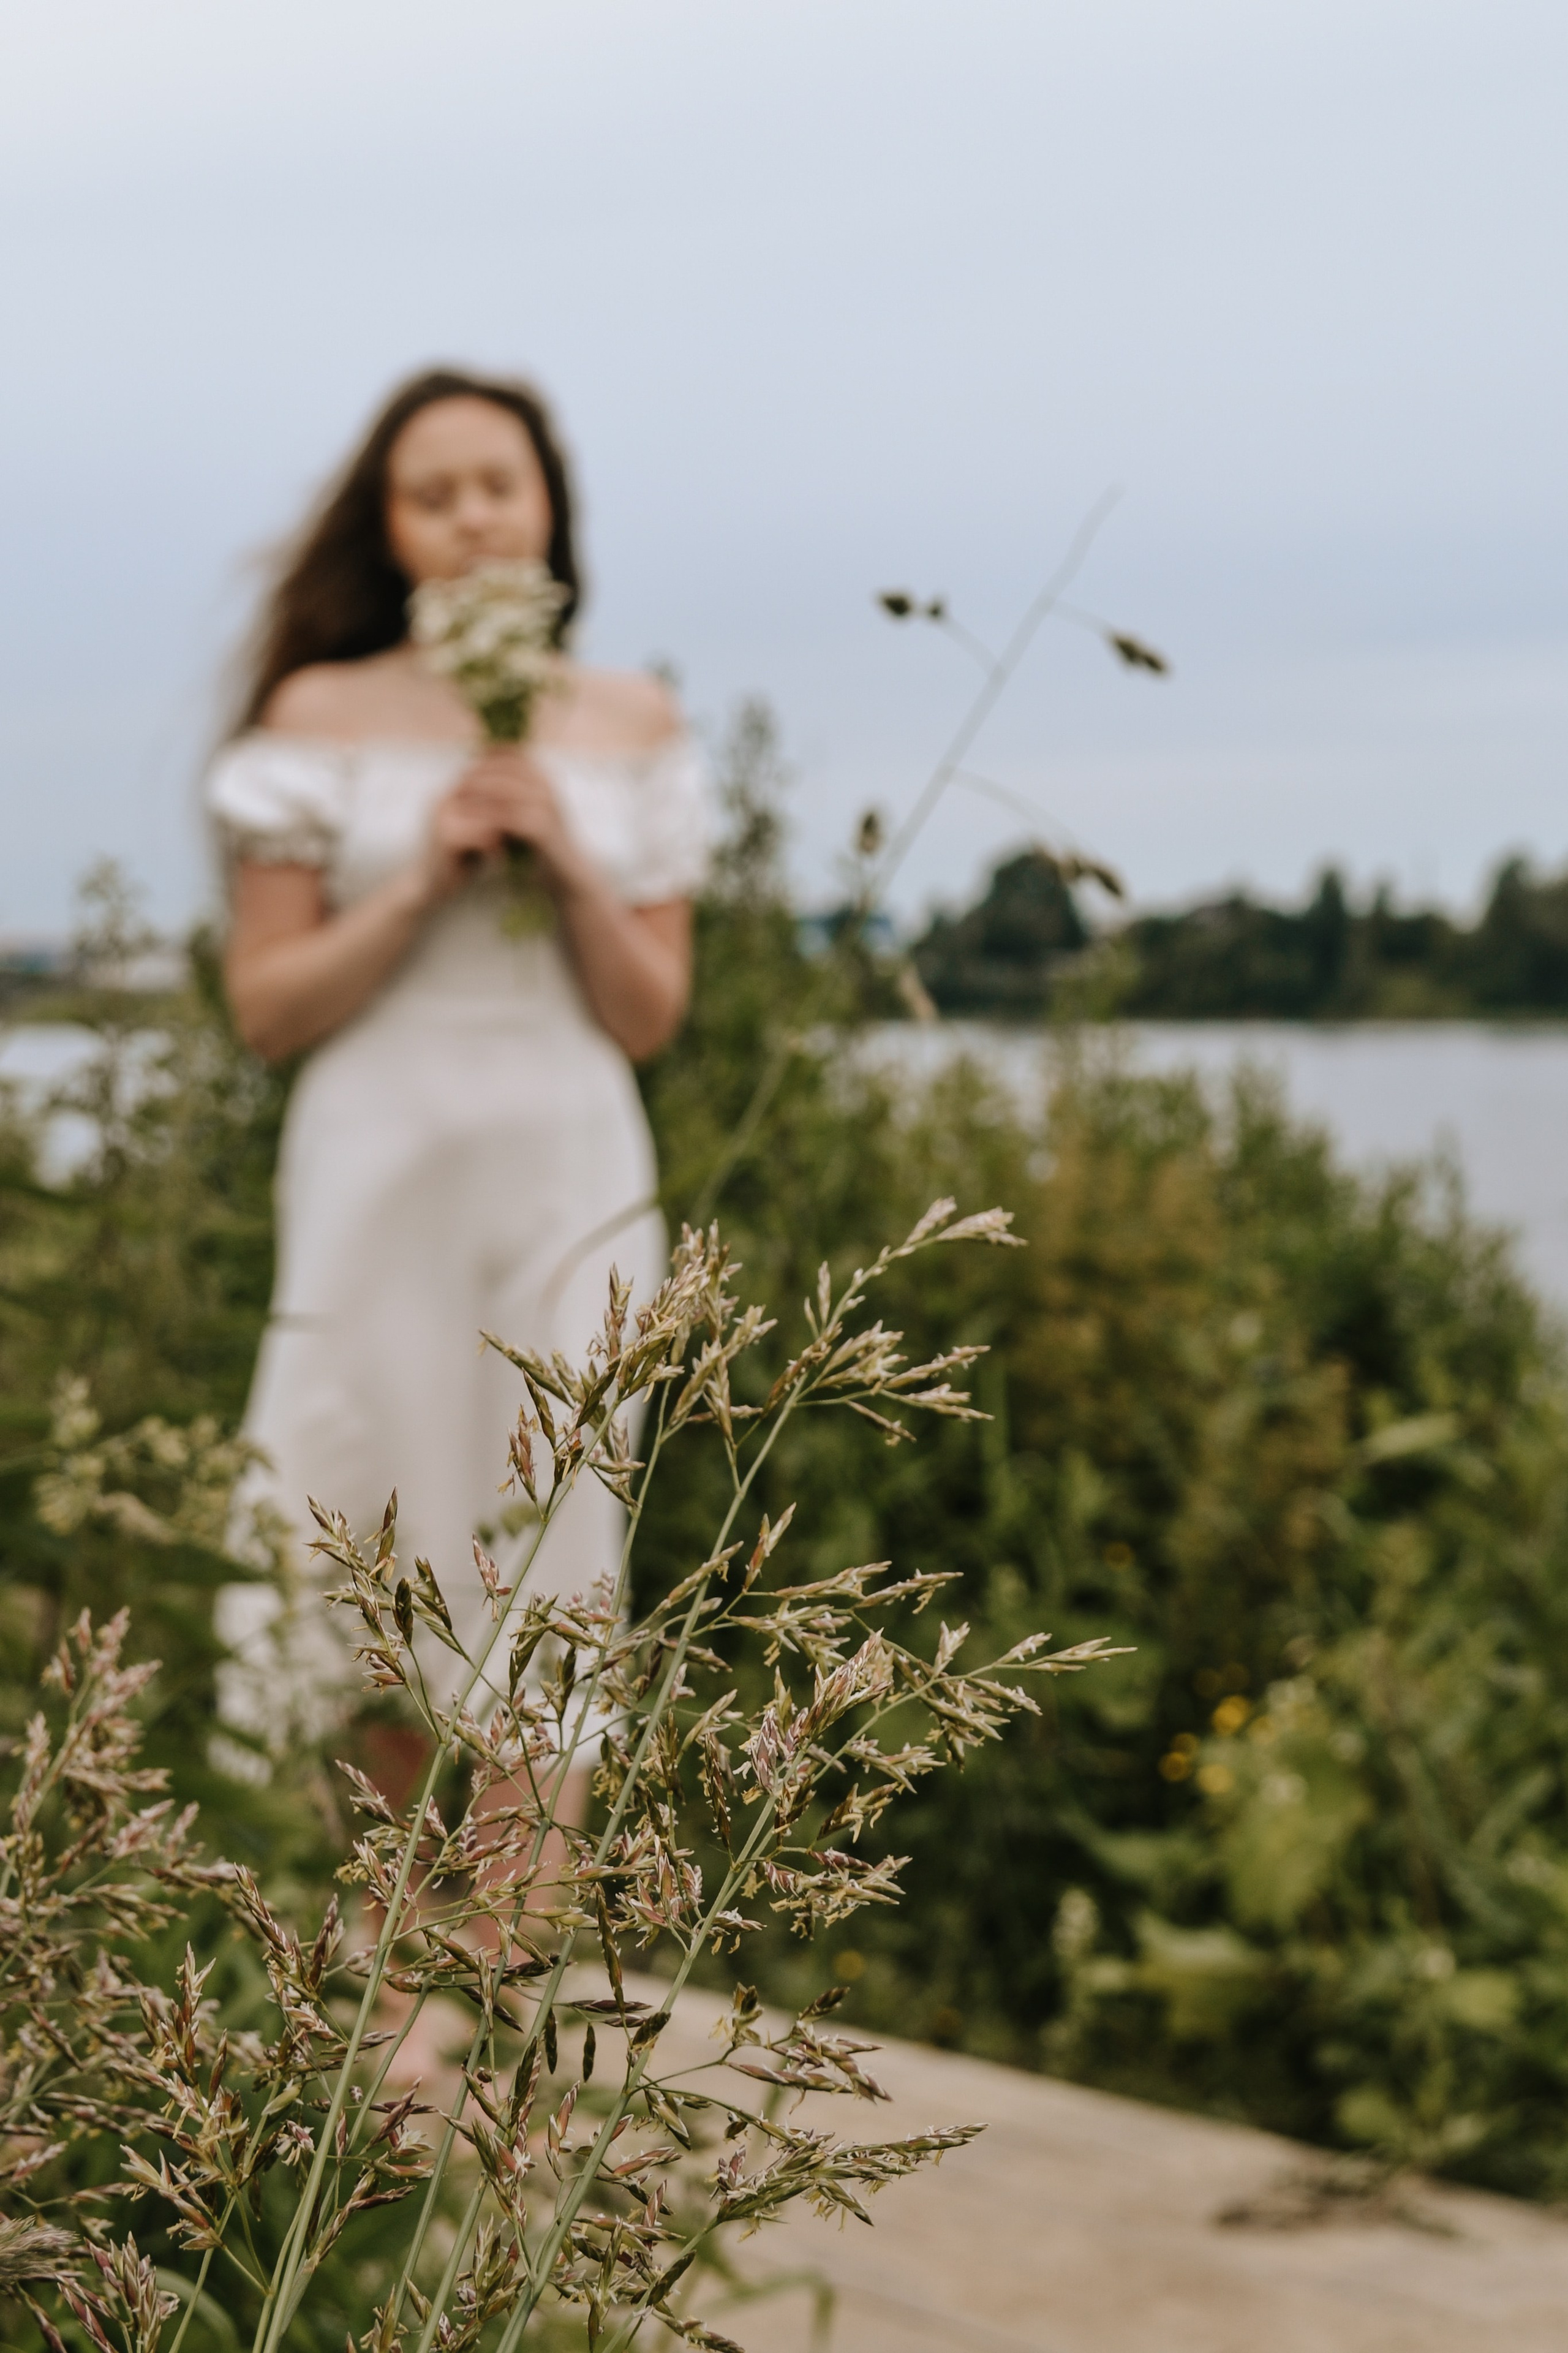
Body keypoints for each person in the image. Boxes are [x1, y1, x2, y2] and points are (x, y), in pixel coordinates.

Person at [206, 366, 709, 1748]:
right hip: (378, 1162)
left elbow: (650, 1013)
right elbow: (267, 1009)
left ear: (550, 507)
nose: (473, 517)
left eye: (498, 484)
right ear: (388, 528)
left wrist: (569, 861)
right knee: (366, 1507)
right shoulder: (315, 713)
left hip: (569, 1163)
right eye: (433, 495)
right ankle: (381, 1881)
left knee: (558, 1521)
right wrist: (423, 878)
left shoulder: (634, 721)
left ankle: (527, 1885)